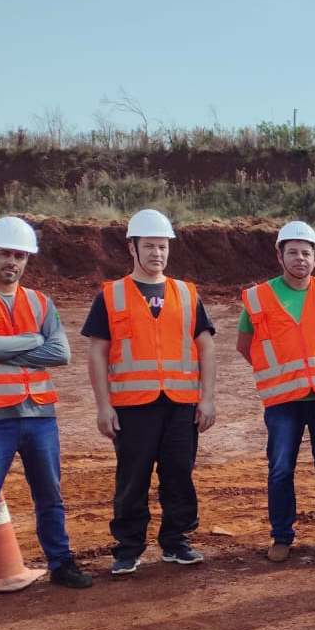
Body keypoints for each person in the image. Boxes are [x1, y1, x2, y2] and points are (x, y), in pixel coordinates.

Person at [0, 216, 93, 614]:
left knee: (50, 497)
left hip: (40, 414)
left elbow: (60, 353)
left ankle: (61, 564)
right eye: (6, 253)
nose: (12, 261)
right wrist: (32, 341)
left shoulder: (40, 302)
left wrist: (4, 345)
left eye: (20, 255)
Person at [83, 209, 217, 574]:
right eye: (149, 246)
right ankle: (128, 548)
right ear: (132, 248)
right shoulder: (111, 296)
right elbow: (97, 352)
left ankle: (177, 542)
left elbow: (205, 346)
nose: (157, 253)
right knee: (132, 477)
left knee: (178, 474)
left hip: (180, 404)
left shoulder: (187, 294)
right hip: (132, 406)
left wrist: (207, 398)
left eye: (162, 247)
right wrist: (103, 406)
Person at [235, 220, 315, 560]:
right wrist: (281, 373)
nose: (300, 258)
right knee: (280, 468)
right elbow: (246, 346)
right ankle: (281, 537)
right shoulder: (259, 297)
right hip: (282, 401)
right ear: (280, 255)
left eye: (306, 253)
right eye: (293, 252)